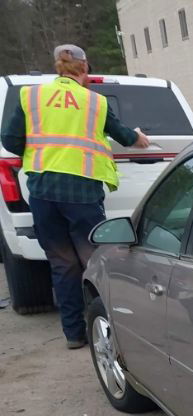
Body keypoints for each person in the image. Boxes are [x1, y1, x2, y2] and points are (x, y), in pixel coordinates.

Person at [0, 44, 150, 348]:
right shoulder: (93, 102)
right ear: (84, 69)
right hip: (81, 194)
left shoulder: (30, 96)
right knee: (95, 262)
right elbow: (124, 136)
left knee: (62, 264)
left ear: (58, 67)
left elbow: (11, 140)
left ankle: (74, 334)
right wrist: (141, 139)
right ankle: (109, 328)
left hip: (43, 194)